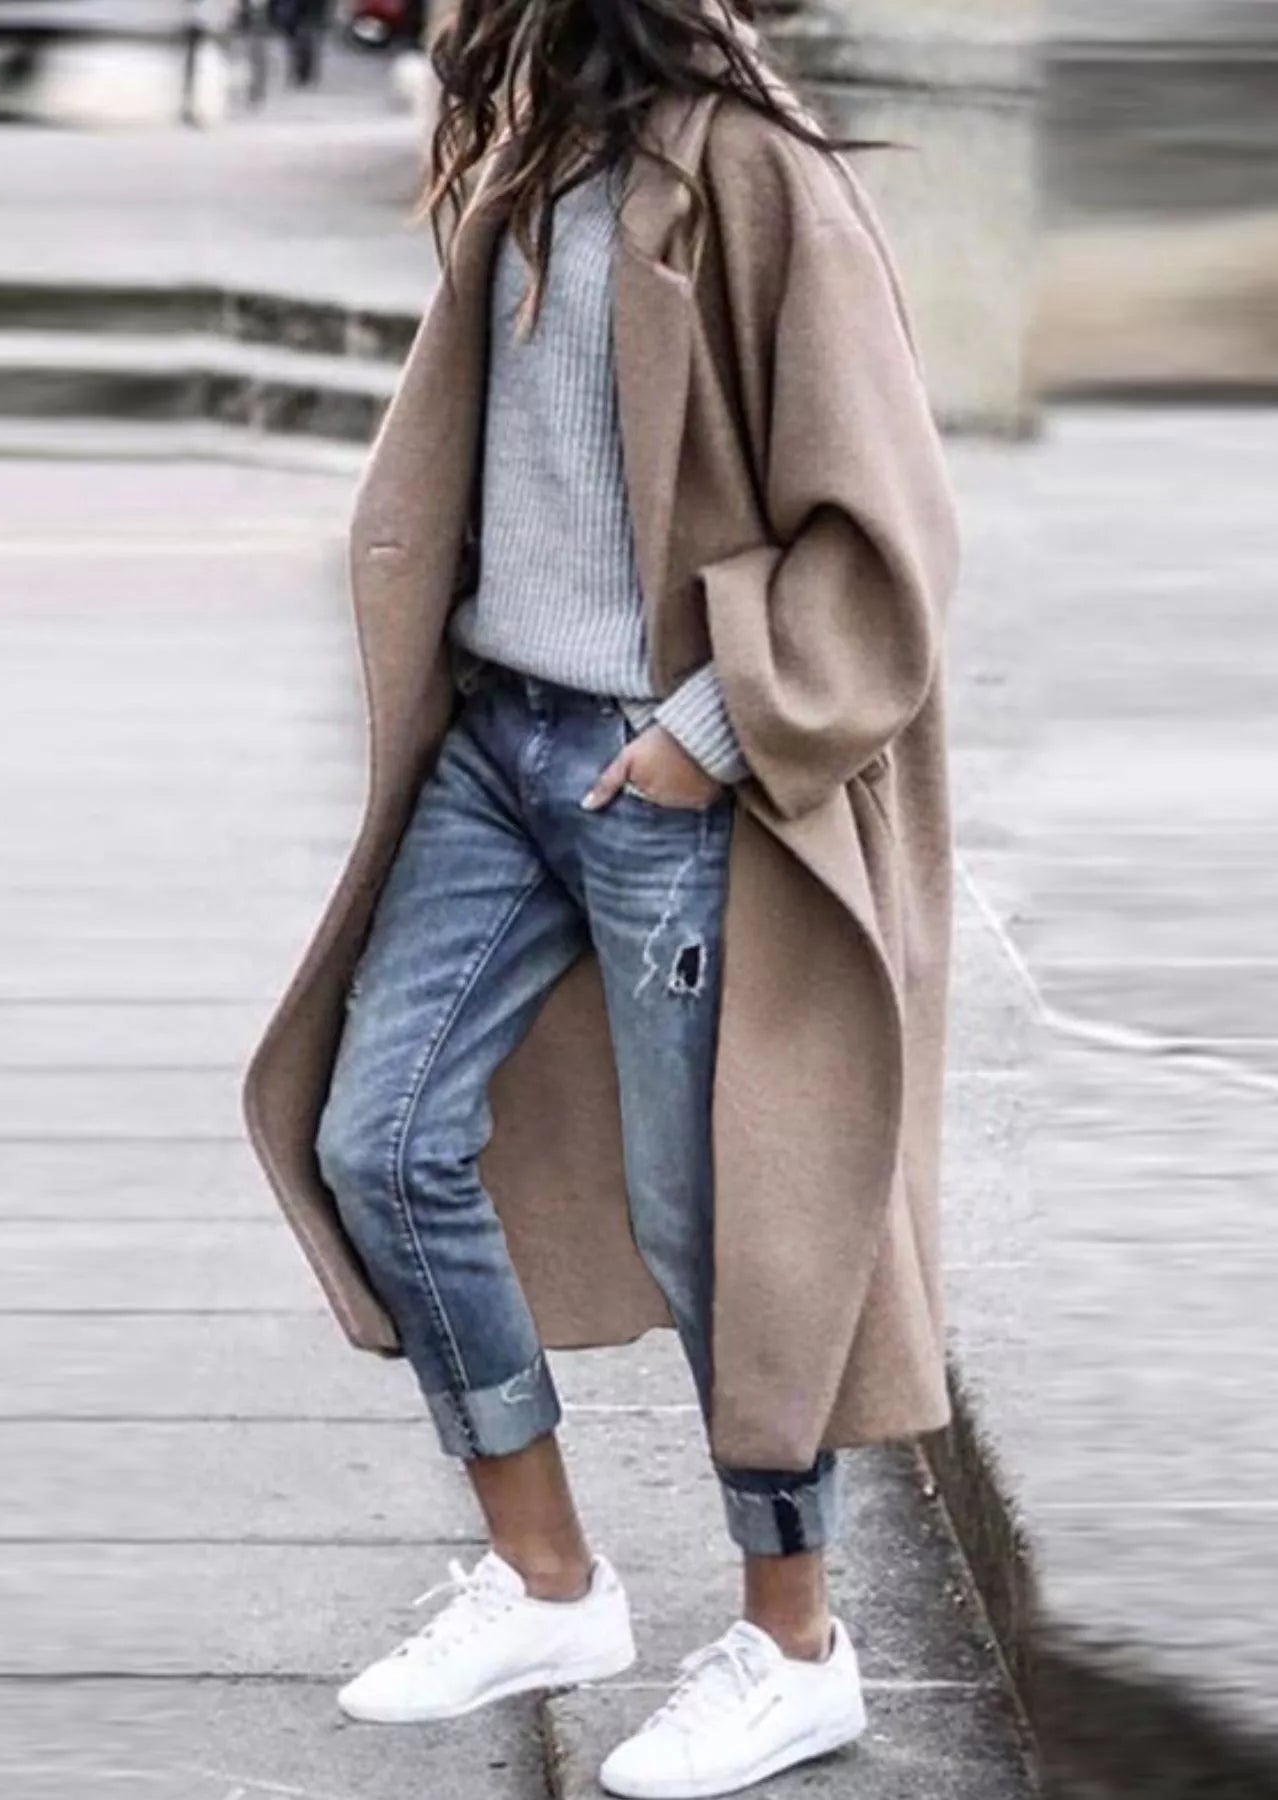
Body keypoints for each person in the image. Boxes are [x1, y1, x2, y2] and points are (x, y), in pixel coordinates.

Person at [242, 1, 960, 1793]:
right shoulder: (530, 148)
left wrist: (709, 732)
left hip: (665, 766)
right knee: (378, 1137)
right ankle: (548, 1574)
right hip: (502, 747)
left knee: (728, 1212)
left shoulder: (752, 168)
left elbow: (886, 518)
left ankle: (797, 1645)